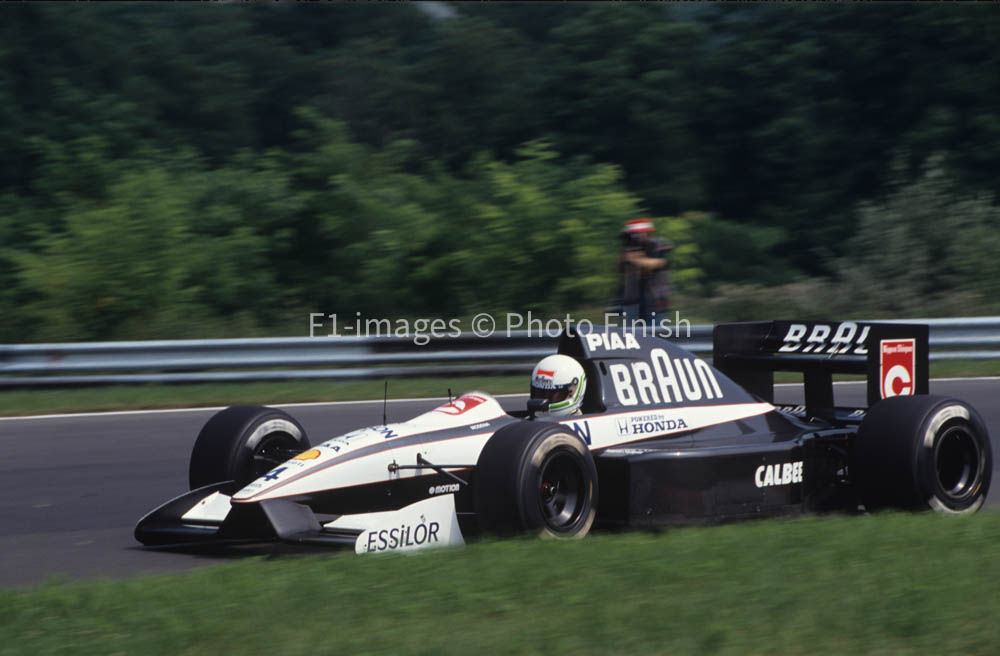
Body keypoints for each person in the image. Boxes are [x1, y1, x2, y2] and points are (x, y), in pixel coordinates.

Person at [618, 218, 673, 325]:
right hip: (632, 302)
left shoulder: (658, 244)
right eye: (632, 235)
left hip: (655, 302)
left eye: (636, 234)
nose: (634, 238)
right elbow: (620, 270)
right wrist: (625, 257)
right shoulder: (630, 249)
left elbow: (658, 264)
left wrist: (635, 259)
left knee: (655, 333)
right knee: (629, 334)